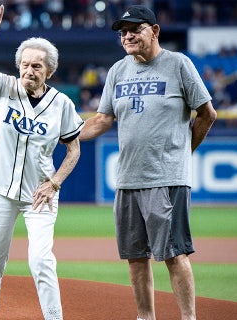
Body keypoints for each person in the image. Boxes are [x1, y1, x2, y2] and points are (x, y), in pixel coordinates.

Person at [78, 5, 216, 320]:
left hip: (166, 178)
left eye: (134, 29)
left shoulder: (178, 64)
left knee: (174, 255)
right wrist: (67, 135)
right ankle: (145, 317)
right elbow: (101, 120)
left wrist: (184, 152)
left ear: (154, 31)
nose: (127, 35)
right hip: (127, 179)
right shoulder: (117, 71)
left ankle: (188, 317)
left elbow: (207, 113)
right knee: (135, 257)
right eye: (123, 31)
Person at [0, 5, 83, 320]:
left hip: (39, 194)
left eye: (37, 66)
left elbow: (74, 149)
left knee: (41, 261)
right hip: (0, 189)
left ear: (49, 71)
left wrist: (55, 182)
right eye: (25, 64)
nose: (29, 71)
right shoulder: (4, 87)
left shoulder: (62, 105)